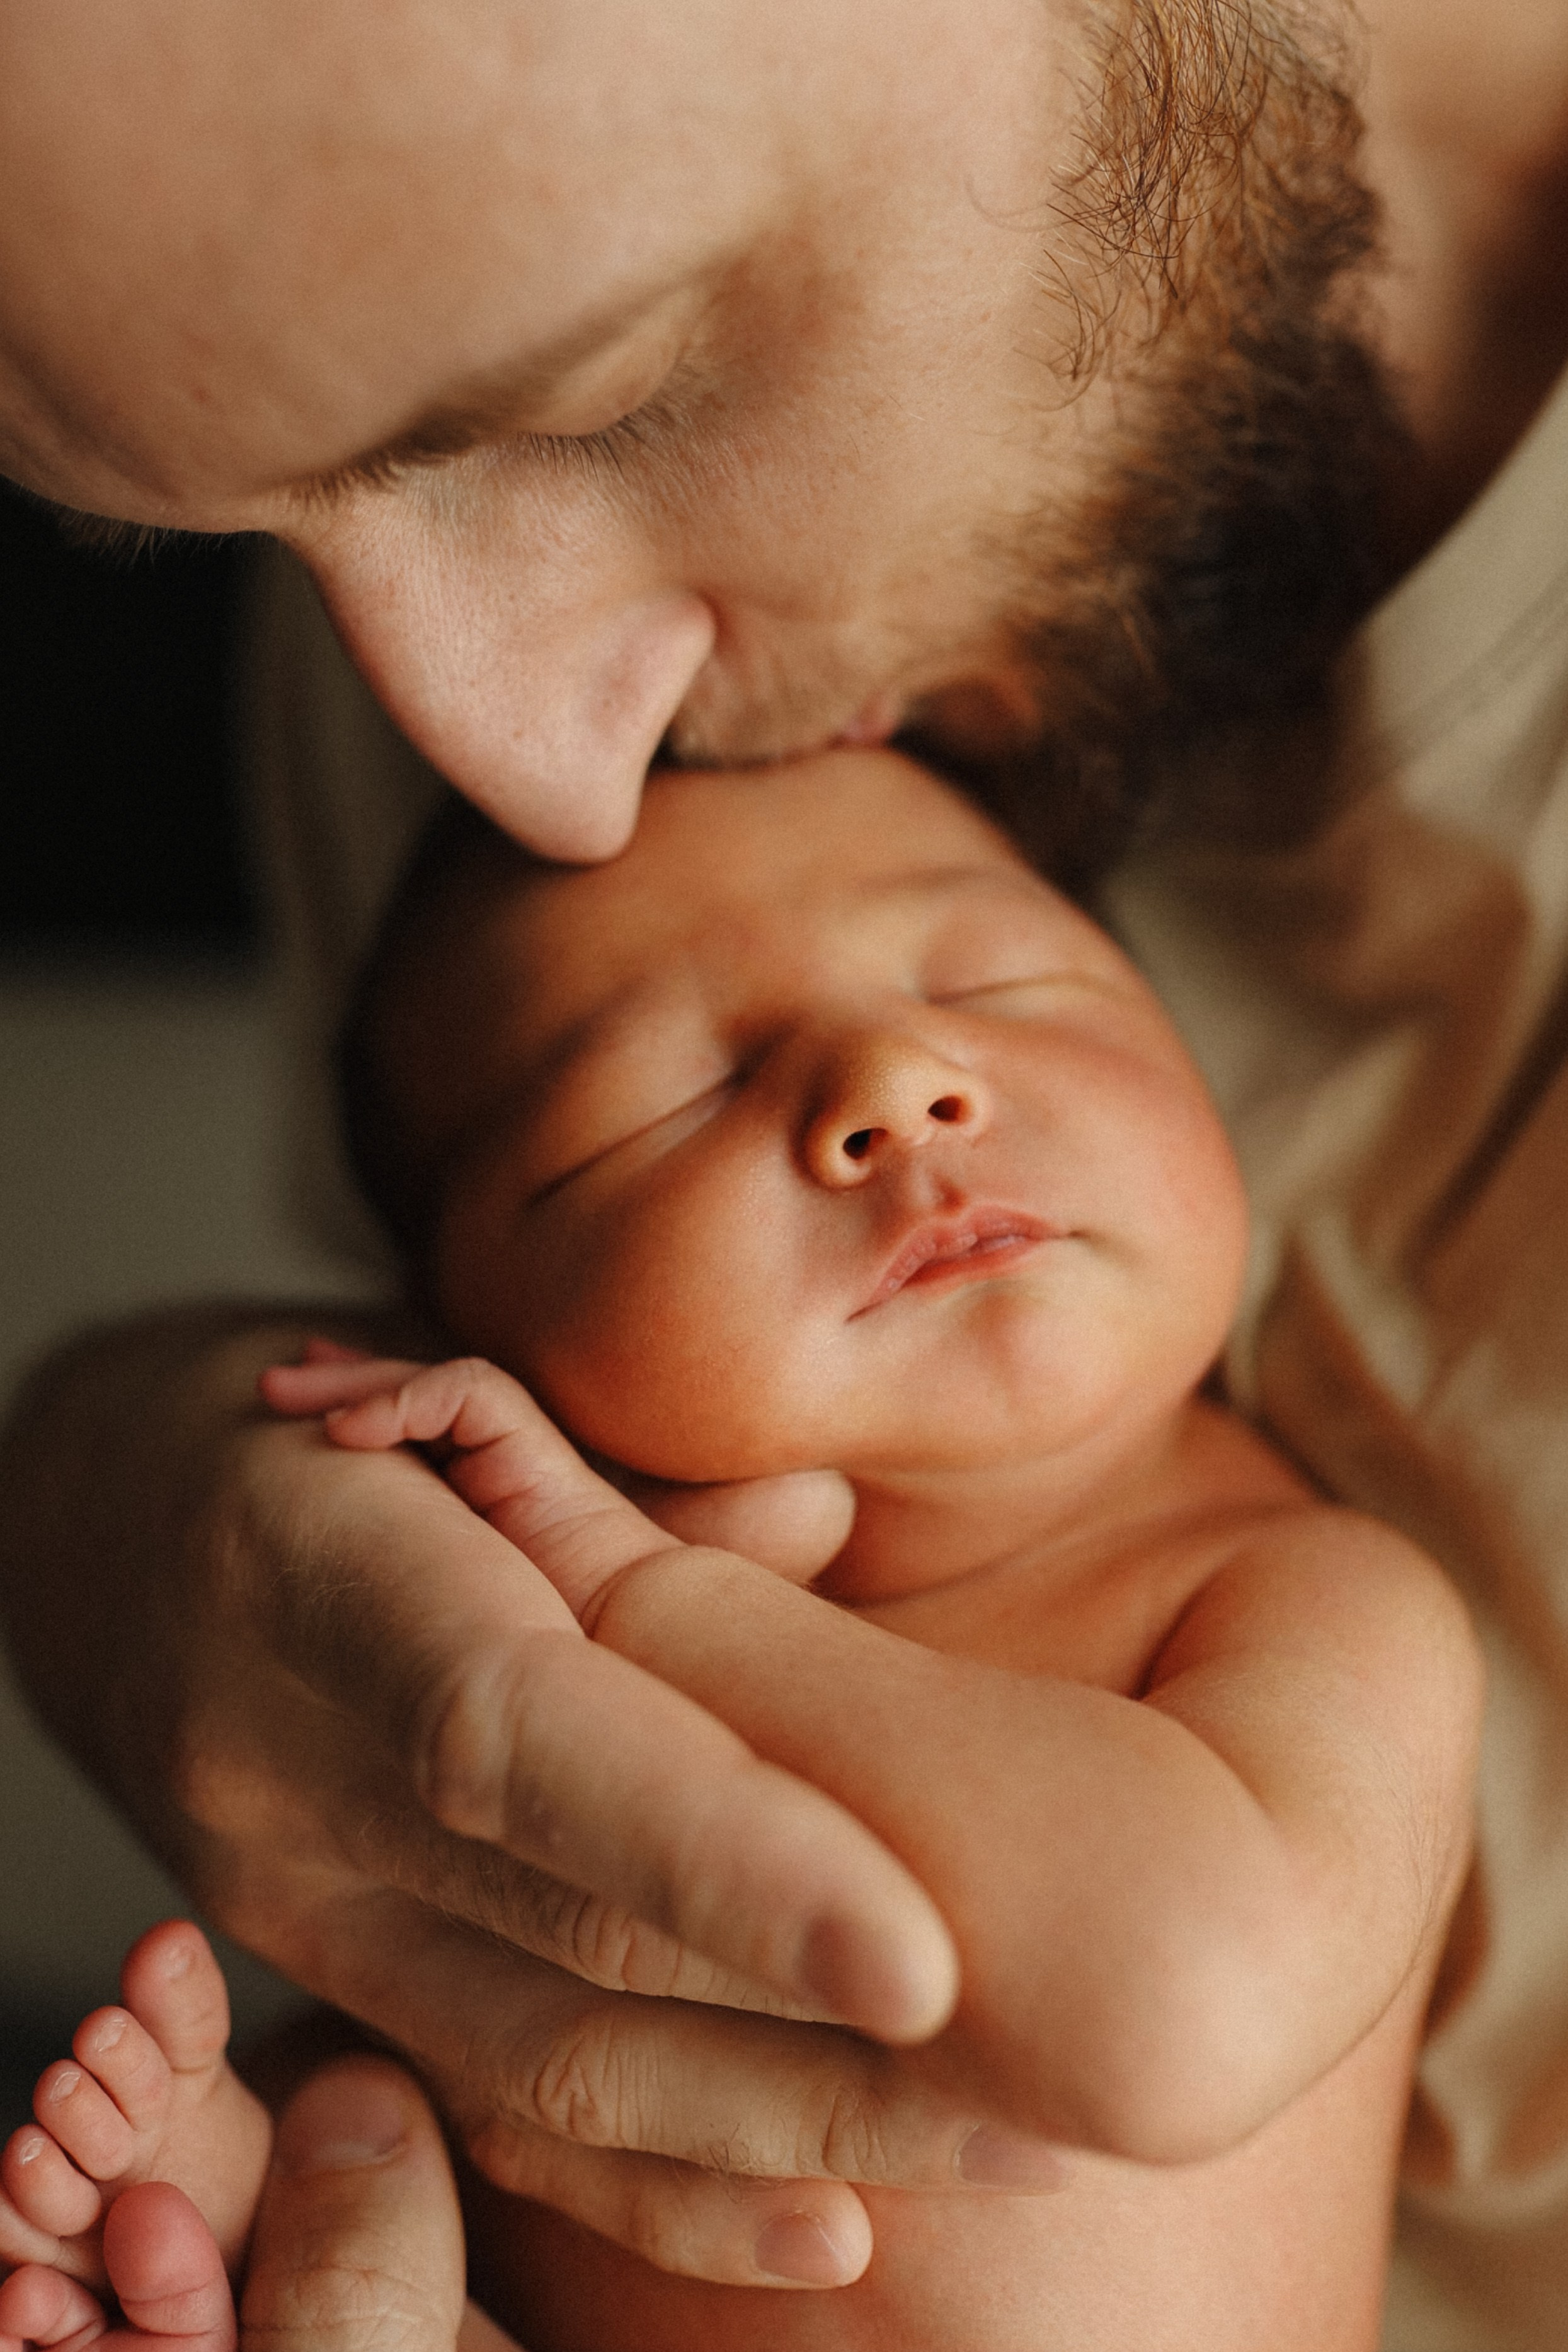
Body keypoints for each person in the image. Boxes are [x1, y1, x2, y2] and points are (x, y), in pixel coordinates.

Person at [1, 1, 1566, 2343]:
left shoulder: (1288, 1623)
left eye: (583, 388)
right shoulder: (449, 566)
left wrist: (625, 1600)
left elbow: (1169, 1995)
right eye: (238, 526)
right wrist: (137, 1511)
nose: (528, 763)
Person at [0, 750, 1482, 2349]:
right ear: (467, 1322)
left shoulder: (1304, 1592)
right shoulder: (464, 1630)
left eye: (1008, 977)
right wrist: (278, 2151)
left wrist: (652, 1600)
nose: (896, 1075)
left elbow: (1181, 2015)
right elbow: (472, 2051)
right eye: (662, 1100)